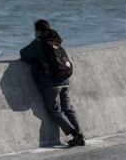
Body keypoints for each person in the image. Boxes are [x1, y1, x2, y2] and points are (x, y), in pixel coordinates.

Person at [20, 19, 86, 147]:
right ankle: (80, 136)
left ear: (38, 30)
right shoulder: (56, 40)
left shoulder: (39, 42)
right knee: (68, 109)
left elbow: (24, 55)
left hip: (51, 84)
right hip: (65, 80)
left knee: (55, 111)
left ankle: (76, 135)